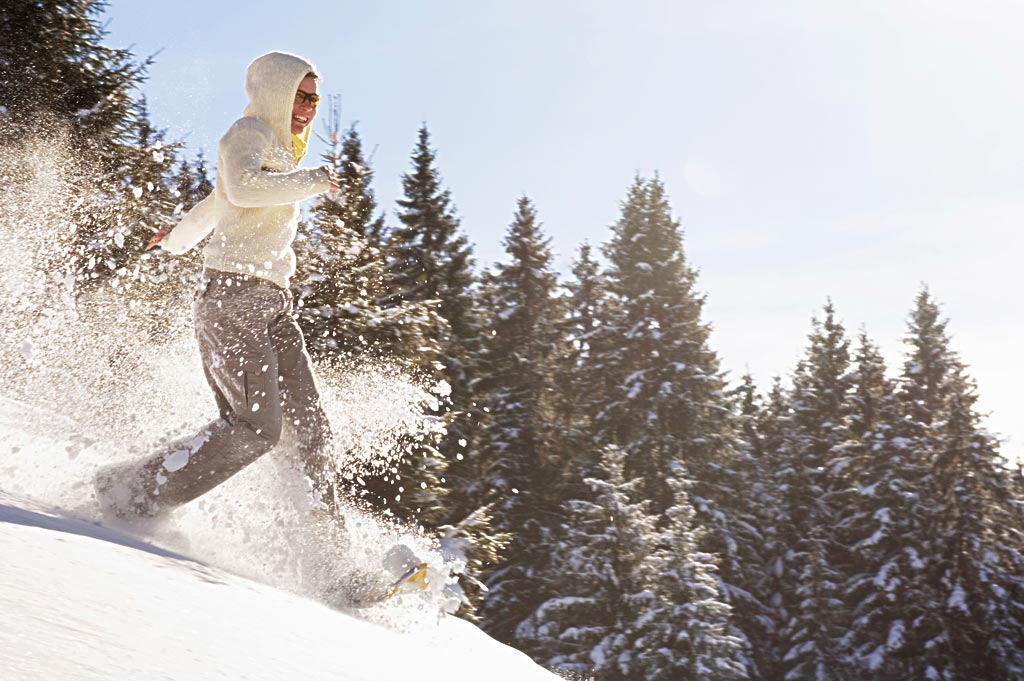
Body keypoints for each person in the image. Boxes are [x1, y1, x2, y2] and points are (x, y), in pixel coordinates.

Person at [95, 51, 340, 518]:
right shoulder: (247, 134)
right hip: (232, 297)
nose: (308, 107)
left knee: (310, 432)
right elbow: (244, 187)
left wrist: (175, 239)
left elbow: (218, 201)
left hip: (271, 300)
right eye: (300, 96)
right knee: (254, 427)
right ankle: (130, 491)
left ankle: (333, 565)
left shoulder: (281, 150)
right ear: (276, 92)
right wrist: (310, 181)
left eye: (314, 99)